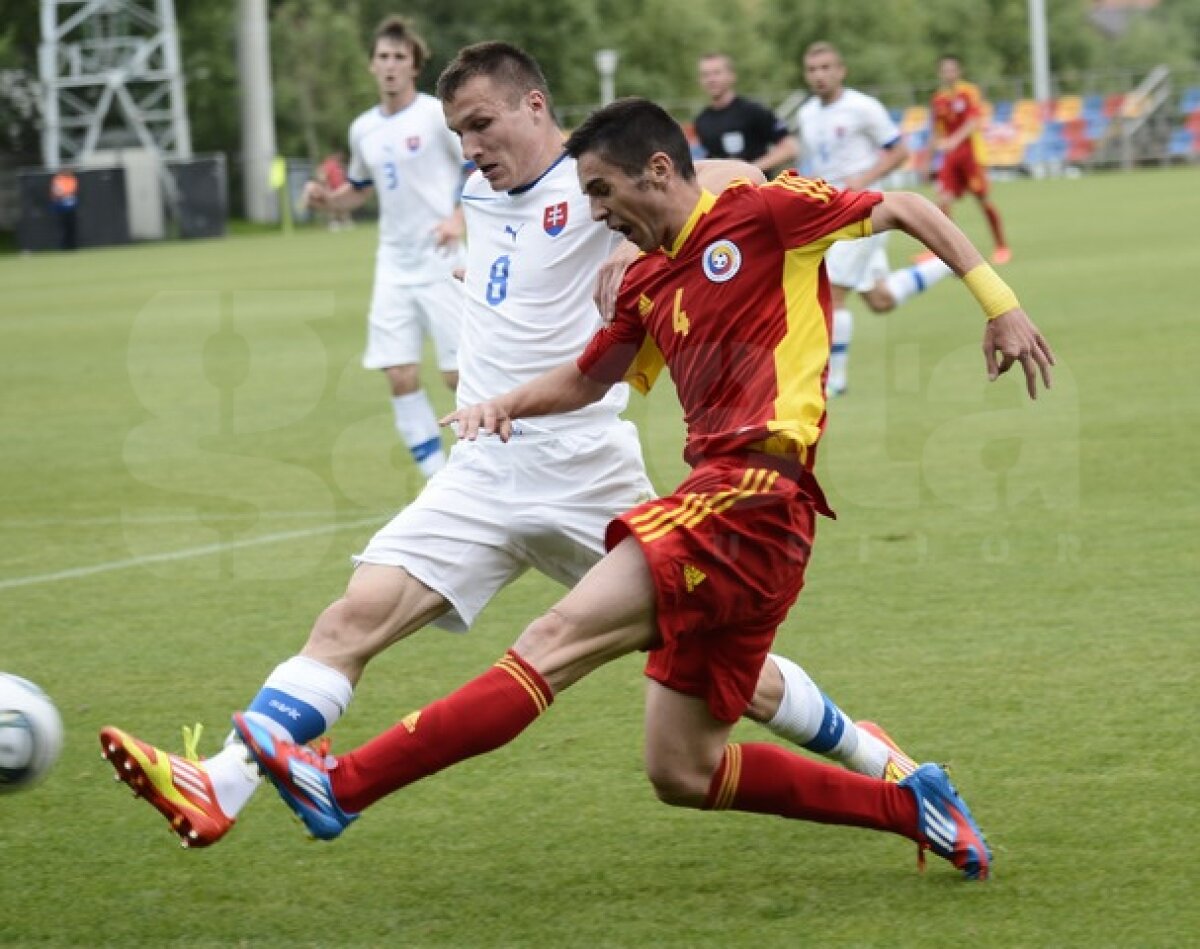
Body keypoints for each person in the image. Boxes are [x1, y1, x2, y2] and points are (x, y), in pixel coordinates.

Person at [99, 43, 917, 850]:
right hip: (482, 470)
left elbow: (730, 185)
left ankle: (879, 761)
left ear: (535, 107)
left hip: (585, 473)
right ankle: (221, 783)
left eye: (482, 124)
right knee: (351, 619)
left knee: (721, 668)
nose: (471, 146)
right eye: (459, 131)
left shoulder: (598, 176)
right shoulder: (478, 190)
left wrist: (634, 244)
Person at [231, 97, 1056, 882]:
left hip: (754, 494)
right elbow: (590, 380)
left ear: (657, 171)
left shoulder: (765, 216)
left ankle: (342, 785)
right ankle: (916, 809)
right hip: (745, 521)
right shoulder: (645, 282)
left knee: (554, 637)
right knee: (681, 769)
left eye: (601, 191)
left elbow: (907, 206)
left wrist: (1000, 305)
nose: (596, 213)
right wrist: (502, 405)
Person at [303, 15, 466, 479]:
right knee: (398, 372)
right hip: (394, 263)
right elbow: (358, 189)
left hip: (442, 260)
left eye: (399, 57)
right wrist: (328, 201)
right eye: (383, 57)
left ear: (414, 66)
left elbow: (475, 170)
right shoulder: (363, 129)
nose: (390, 65)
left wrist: (457, 217)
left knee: (457, 376)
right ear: (372, 66)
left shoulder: (436, 115)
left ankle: (481, 464)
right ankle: (438, 476)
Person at [797, 42, 956, 397]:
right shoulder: (807, 114)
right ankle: (942, 265)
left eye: (826, 67)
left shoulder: (862, 107)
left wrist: (863, 181)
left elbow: (900, 151)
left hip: (863, 212)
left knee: (831, 293)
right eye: (812, 69)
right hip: (828, 214)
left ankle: (835, 382)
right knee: (879, 299)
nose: (819, 75)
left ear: (841, 70)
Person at [931, 54, 1010, 265]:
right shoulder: (938, 99)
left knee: (982, 200)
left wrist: (954, 140)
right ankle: (942, 252)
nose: (948, 74)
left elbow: (973, 120)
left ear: (959, 72)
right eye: (944, 70)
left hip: (971, 155)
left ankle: (1001, 246)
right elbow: (937, 131)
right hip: (950, 157)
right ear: (940, 73)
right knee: (943, 201)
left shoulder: (969, 92)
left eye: (952, 70)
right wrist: (929, 158)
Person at [694, 53, 798, 175]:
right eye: (706, 75)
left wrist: (750, 169)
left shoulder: (753, 111)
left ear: (732, 76)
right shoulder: (702, 121)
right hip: (722, 191)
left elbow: (790, 148)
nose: (711, 79)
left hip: (757, 189)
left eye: (717, 73)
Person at [317, 151, 353, 230]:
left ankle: (345, 222)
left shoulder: (338, 165)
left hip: (341, 189)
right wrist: (326, 187)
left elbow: (343, 176)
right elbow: (322, 177)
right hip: (332, 189)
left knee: (343, 206)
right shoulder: (328, 165)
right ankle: (334, 223)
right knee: (332, 207)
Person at [49, 169, 79, 251]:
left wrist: (65, 194)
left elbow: (72, 190)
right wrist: (61, 195)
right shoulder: (58, 179)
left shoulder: (72, 179)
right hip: (60, 205)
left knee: (71, 227)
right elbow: (56, 192)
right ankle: (64, 246)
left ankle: (72, 246)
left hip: (70, 206)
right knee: (63, 227)